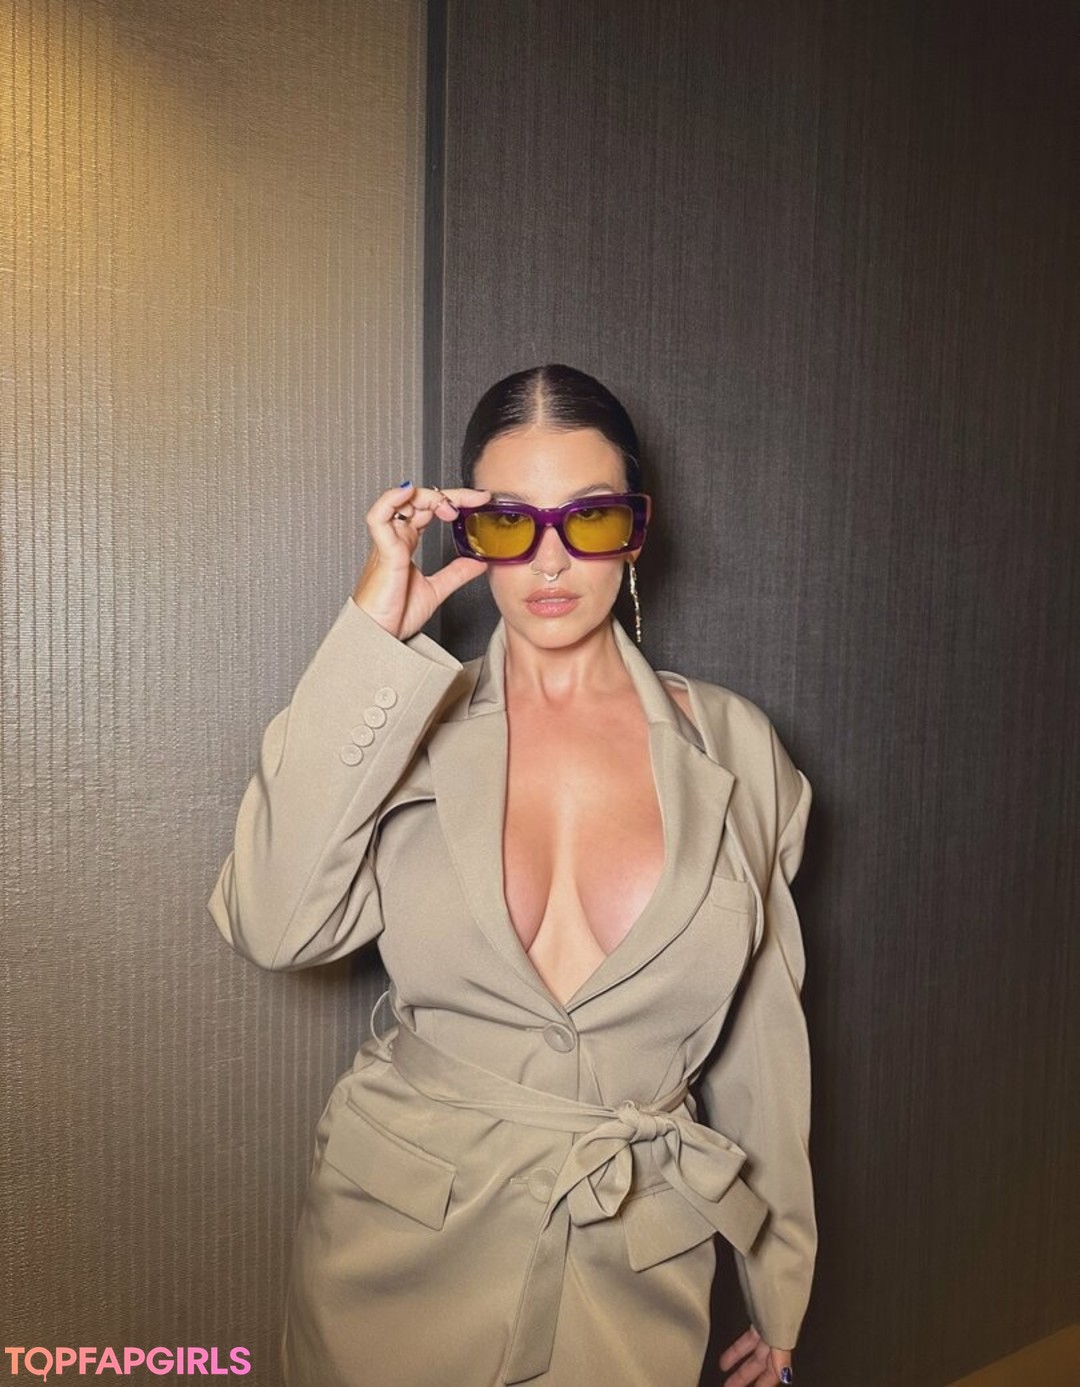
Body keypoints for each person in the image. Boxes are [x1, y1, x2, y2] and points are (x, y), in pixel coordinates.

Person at [208, 364, 816, 1387]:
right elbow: (273, 924)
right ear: (467, 534)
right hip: (397, 1245)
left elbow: (764, 1034)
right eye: (508, 523)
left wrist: (779, 1273)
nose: (549, 559)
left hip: (633, 1254)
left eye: (590, 517)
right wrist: (372, 637)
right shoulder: (405, 730)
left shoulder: (739, 750)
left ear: (638, 530)